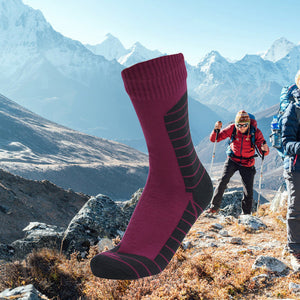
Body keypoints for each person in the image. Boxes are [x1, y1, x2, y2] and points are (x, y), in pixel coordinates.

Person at [206, 110, 269, 214]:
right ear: (236, 124)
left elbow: (263, 151)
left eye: (244, 125)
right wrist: (215, 130)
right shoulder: (232, 128)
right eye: (239, 125)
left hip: (247, 163)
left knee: (248, 191)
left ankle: (246, 215)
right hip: (233, 159)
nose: (241, 127)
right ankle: (214, 208)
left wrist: (265, 149)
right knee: (222, 181)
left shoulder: (255, 132)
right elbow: (215, 139)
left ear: (248, 124)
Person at [281, 70, 300, 271]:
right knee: (296, 208)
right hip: (296, 166)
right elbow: (286, 142)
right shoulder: (293, 109)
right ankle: (295, 251)